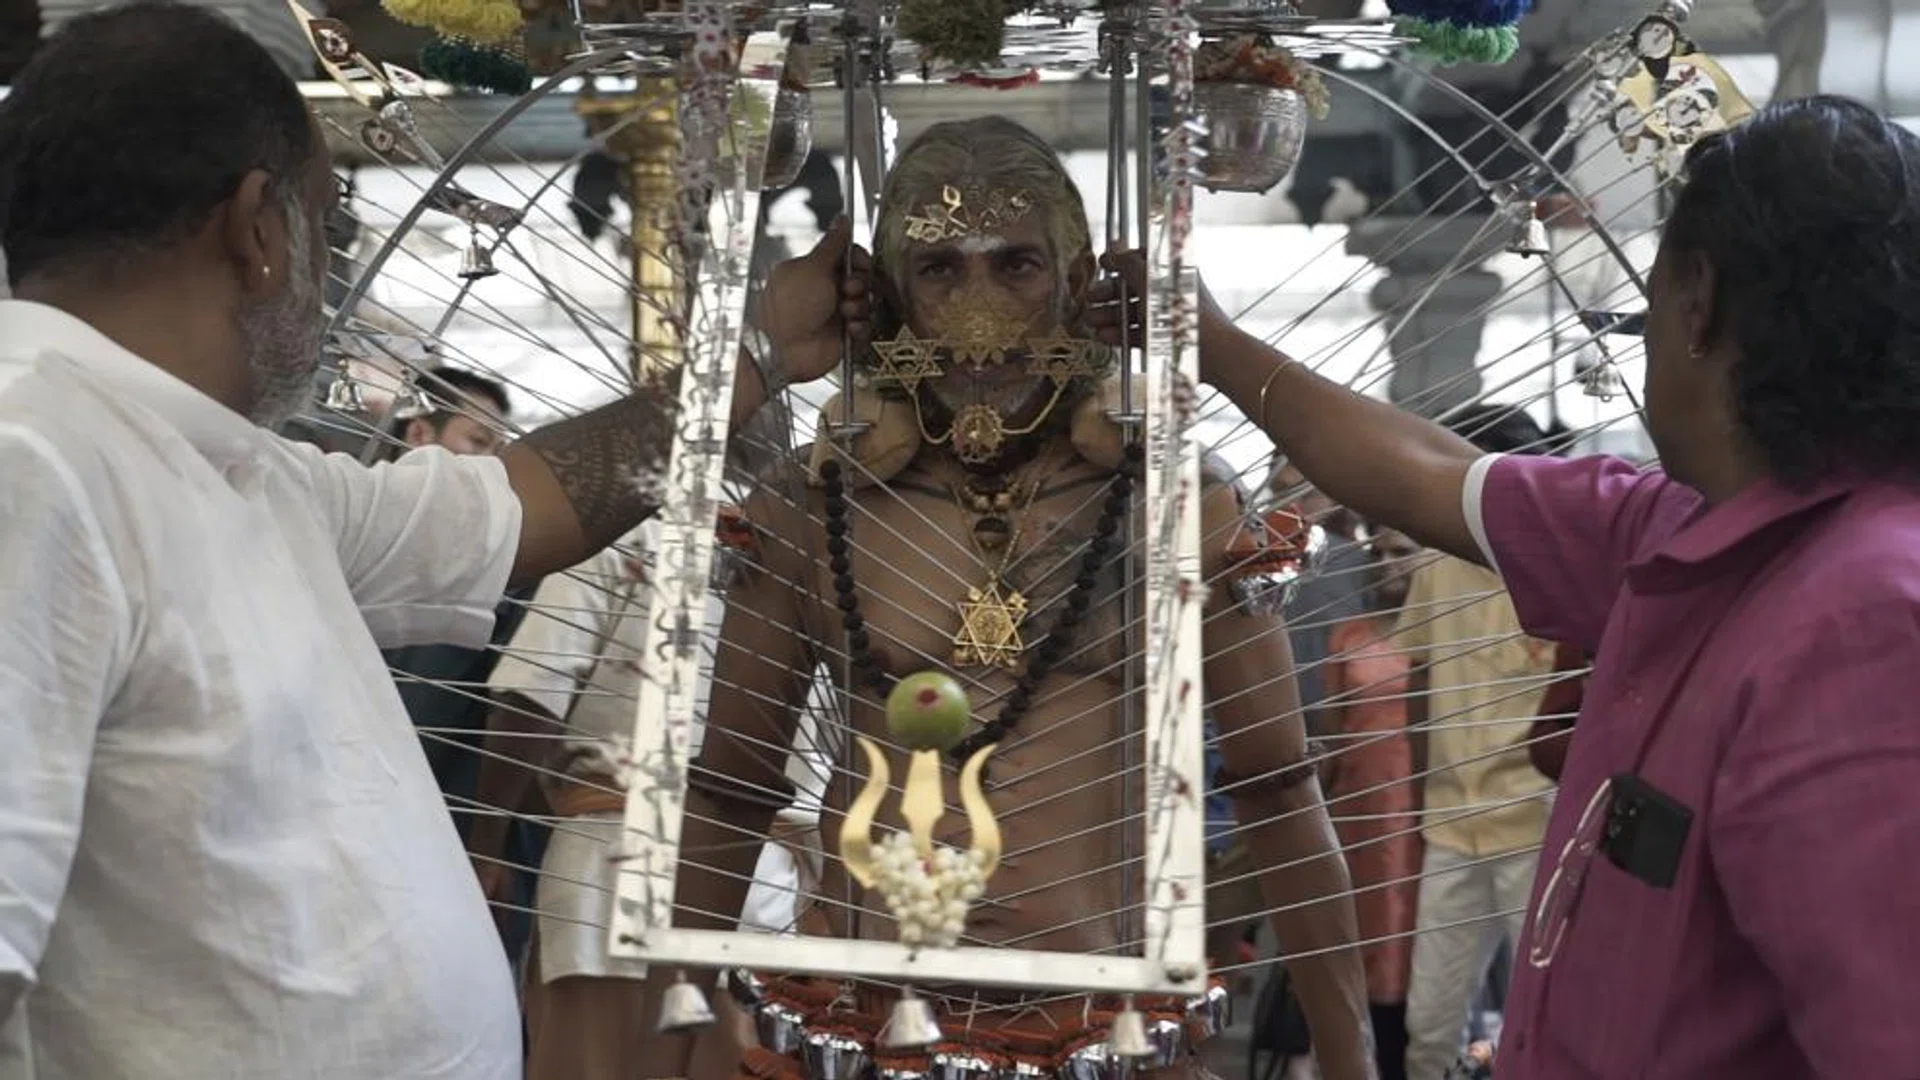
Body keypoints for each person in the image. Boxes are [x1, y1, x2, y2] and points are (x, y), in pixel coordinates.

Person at [0, 5, 812, 1077]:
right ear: (257, 231)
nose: (331, 274)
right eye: (330, 225)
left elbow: (517, 510)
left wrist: (757, 350)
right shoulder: (32, 457)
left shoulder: (228, 465)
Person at [1096, 95, 1920, 1077]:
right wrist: (1207, 336)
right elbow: (1425, 477)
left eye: (1642, 305)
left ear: (1696, 300)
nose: (1643, 336)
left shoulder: (1866, 616)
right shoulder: (1680, 531)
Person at [661, 116, 1376, 1080]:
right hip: (865, 1023)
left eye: (1017, 266)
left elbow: (1281, 791)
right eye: (942, 268)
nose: (980, 310)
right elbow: (729, 790)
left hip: (1103, 1025)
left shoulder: (1172, 499)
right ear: (888, 294)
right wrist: (658, 1041)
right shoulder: (810, 501)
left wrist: (1352, 1059)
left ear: (1078, 284)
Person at [1389, 406, 1558, 1080]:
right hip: (1451, 826)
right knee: (1427, 1029)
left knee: (1549, 1020)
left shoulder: (1561, 567)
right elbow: (1419, 674)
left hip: (1537, 829)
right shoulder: (1438, 566)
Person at [1321, 526, 1426, 1080]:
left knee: (1411, 928)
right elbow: (1332, 734)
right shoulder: (1347, 636)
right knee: (1358, 927)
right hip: (1359, 809)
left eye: (1402, 552)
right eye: (1379, 553)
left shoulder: (1440, 634)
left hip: (1421, 806)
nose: (1389, 563)